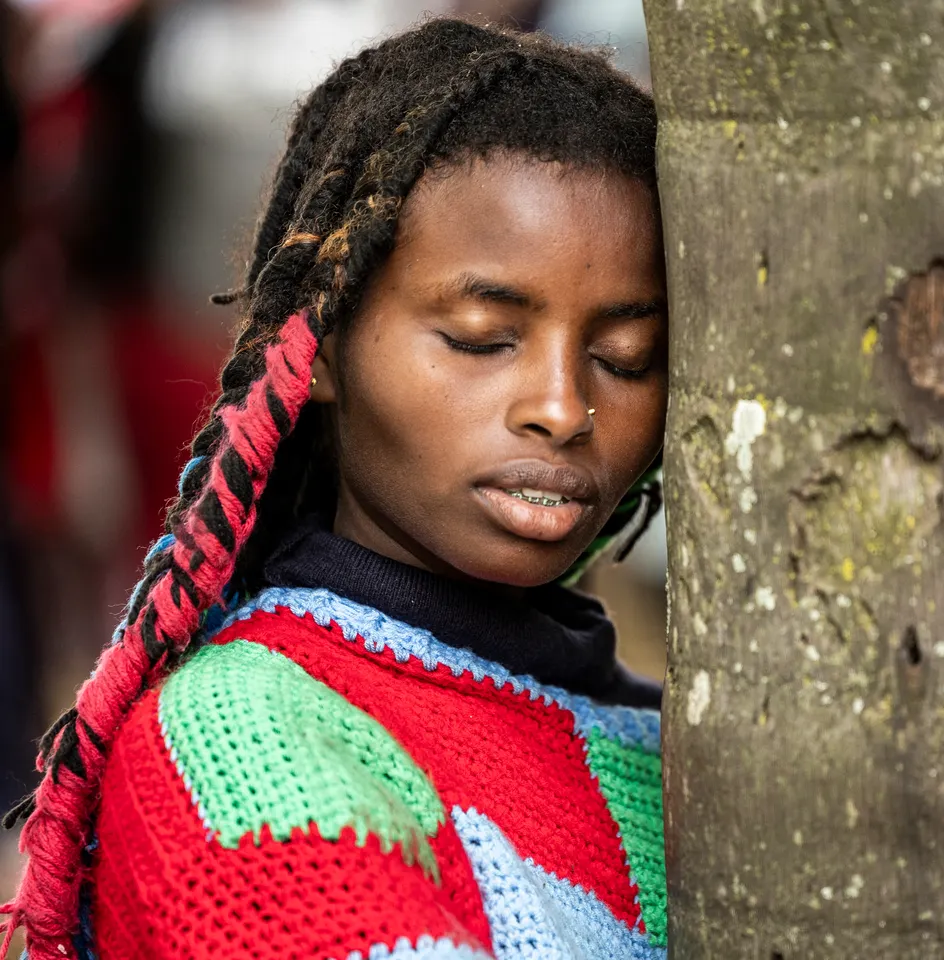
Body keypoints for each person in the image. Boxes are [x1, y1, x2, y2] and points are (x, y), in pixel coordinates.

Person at [1, 18, 667, 960]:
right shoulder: (238, 740)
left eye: (625, 358)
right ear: (317, 346)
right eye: (482, 337)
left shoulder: (660, 745)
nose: (563, 408)